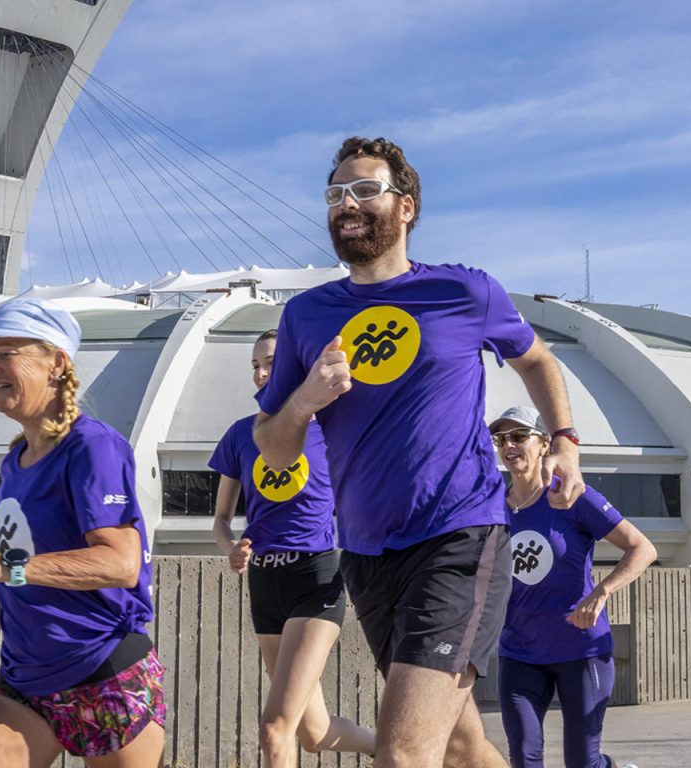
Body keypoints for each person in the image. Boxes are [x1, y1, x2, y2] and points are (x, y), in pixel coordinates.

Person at [253, 136, 585, 768]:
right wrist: (304, 402)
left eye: (365, 190)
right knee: (459, 745)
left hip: (459, 537)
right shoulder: (306, 315)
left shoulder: (465, 291)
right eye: (335, 193)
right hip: (368, 553)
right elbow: (272, 448)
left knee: (403, 752)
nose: (346, 204)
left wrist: (564, 440)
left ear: (405, 207)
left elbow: (537, 360)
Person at [0, 298, 165, 768]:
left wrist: (8, 569)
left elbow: (121, 564)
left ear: (57, 364)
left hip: (103, 675)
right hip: (26, 677)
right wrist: (9, 612)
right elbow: (47, 565)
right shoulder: (15, 460)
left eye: (6, 353)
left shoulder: (93, 447)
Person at [210, 328, 377, 766]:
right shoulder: (240, 435)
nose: (261, 372)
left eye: (270, 362)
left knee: (274, 729)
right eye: (255, 365)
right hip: (265, 583)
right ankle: (389, 748)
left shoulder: (333, 429)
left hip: (315, 578)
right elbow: (221, 519)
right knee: (313, 734)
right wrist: (231, 548)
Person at [490, 405, 656, 768]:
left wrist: (602, 592)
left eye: (518, 436)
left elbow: (642, 548)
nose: (508, 446)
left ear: (544, 444)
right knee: (524, 758)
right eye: (501, 440)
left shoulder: (571, 496)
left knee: (583, 762)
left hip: (581, 650)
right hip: (520, 652)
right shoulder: (492, 508)